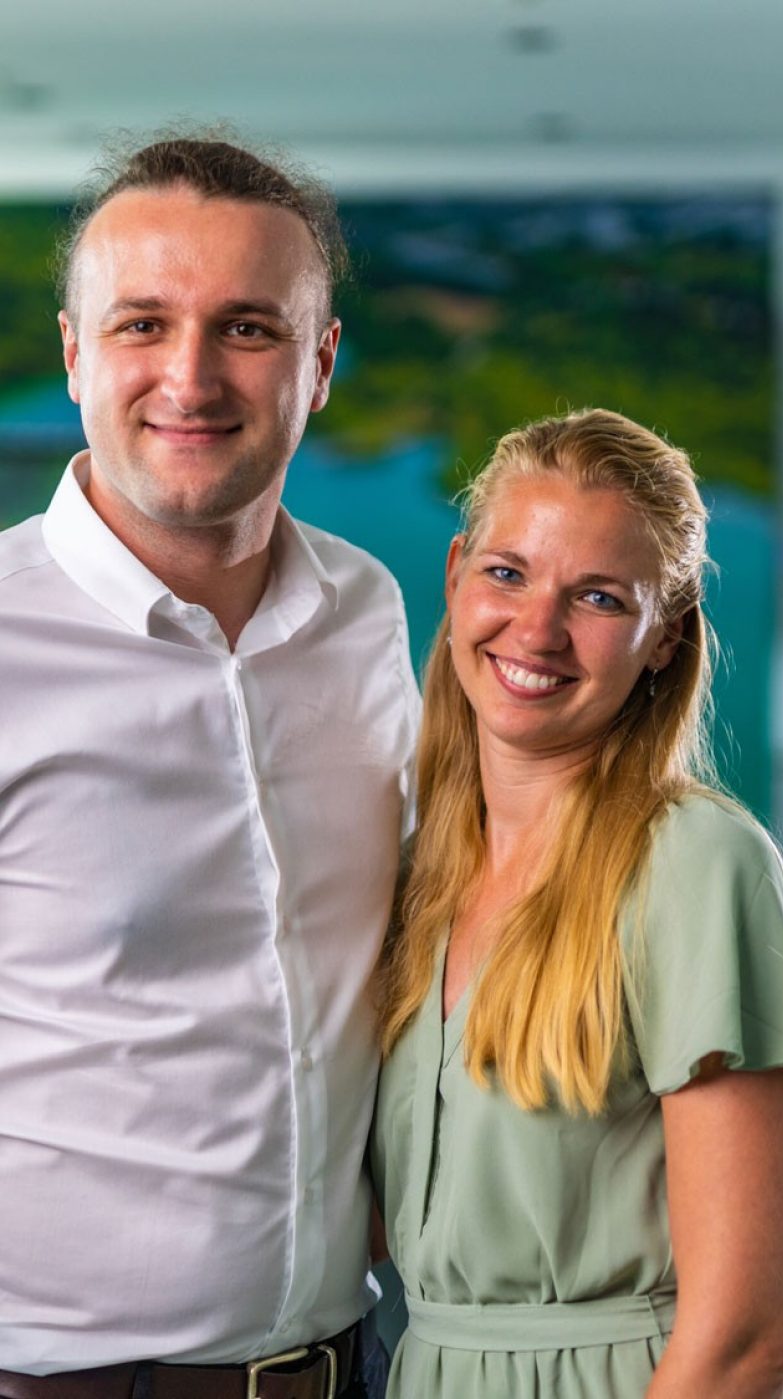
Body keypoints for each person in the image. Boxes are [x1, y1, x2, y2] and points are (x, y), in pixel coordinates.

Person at [0, 134, 420, 1397]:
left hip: (349, 1365)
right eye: (141, 323)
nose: (190, 376)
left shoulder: (371, 610)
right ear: (75, 353)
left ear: (321, 363)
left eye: (247, 327)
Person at [372, 408, 783, 1398]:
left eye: (597, 597)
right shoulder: (414, 866)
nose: (537, 629)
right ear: (456, 575)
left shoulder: (696, 862)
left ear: (662, 640)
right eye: (508, 572)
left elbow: (746, 1339)